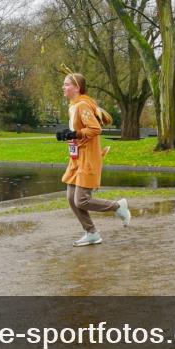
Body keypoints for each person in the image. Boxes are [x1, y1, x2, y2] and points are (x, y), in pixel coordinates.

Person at [59, 72, 132, 246]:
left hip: (88, 159)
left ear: (77, 88)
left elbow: (95, 129)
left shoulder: (83, 105)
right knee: (71, 198)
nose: (64, 87)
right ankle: (91, 233)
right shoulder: (74, 106)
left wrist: (75, 133)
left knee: (81, 200)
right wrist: (67, 136)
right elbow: (80, 131)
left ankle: (118, 206)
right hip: (76, 158)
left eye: (67, 84)